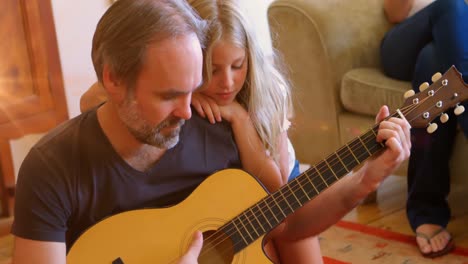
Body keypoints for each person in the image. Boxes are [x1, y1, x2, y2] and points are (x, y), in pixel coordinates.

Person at [11, 0, 411, 263]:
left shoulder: (220, 131)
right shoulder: (52, 168)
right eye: (169, 95)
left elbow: (285, 224)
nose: (189, 112)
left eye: (191, 89)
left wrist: (365, 180)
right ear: (113, 80)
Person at [380, 0, 468, 258]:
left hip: (451, 50)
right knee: (451, 4)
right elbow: (393, 12)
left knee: (432, 59)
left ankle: (426, 210)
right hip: (405, 43)